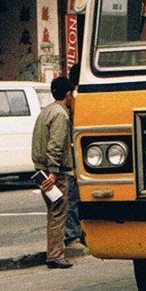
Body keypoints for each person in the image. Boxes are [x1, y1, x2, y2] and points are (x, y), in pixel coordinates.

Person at [31, 76, 75, 269]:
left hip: (41, 169)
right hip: (54, 173)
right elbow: (55, 145)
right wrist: (54, 173)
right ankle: (56, 255)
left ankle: (54, 253)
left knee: (53, 211)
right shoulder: (60, 114)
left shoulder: (46, 112)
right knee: (58, 212)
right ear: (68, 94)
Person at [63, 63, 87, 254]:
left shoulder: (78, 97)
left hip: (77, 159)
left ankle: (78, 234)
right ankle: (73, 236)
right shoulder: (77, 98)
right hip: (75, 161)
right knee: (73, 199)